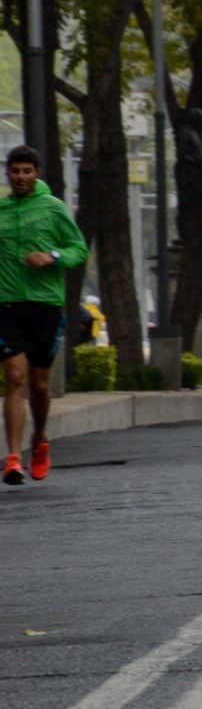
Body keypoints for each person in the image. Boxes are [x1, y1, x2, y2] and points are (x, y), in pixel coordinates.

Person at [0, 146, 89, 485]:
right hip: (6, 304)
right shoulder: (2, 209)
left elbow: (79, 248)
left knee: (38, 385)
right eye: (15, 171)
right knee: (15, 376)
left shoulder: (53, 208)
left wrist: (52, 255)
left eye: (27, 171)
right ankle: (13, 457)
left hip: (45, 305)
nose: (21, 177)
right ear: (8, 174)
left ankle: (39, 439)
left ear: (36, 172)